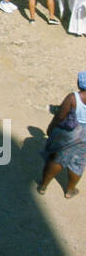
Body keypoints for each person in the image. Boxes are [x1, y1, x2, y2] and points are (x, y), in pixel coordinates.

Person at [37, 72, 86, 200]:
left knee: (57, 158)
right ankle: (70, 190)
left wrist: (51, 127)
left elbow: (60, 116)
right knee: (78, 162)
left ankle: (43, 186)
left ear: (79, 83)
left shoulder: (73, 98)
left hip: (70, 132)